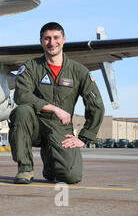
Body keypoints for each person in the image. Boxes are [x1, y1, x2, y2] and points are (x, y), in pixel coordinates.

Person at [9, 22, 104, 184]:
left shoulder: (78, 71)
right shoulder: (31, 67)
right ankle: (25, 168)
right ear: (41, 41)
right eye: (47, 38)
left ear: (64, 39)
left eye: (56, 38)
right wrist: (53, 109)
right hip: (35, 125)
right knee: (22, 111)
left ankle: (51, 165)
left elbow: (96, 105)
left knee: (71, 177)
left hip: (60, 129)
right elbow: (21, 95)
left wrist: (85, 137)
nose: (52, 43)